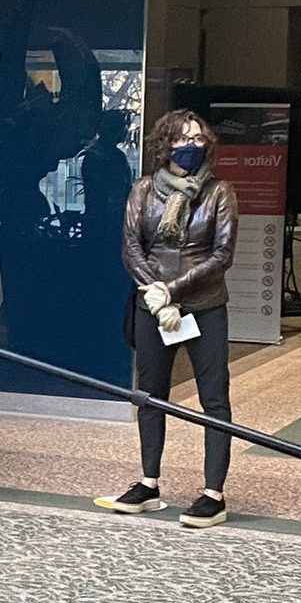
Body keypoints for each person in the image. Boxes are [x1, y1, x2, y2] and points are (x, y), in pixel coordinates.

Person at [106, 109, 239, 529]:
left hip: (204, 306)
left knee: (214, 399)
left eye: (198, 139)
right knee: (150, 395)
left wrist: (172, 291)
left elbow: (222, 254)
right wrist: (156, 294)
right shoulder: (143, 191)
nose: (191, 146)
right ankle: (149, 483)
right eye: (182, 139)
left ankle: (213, 494)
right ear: (165, 145)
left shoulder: (219, 193)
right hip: (153, 307)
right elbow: (132, 247)